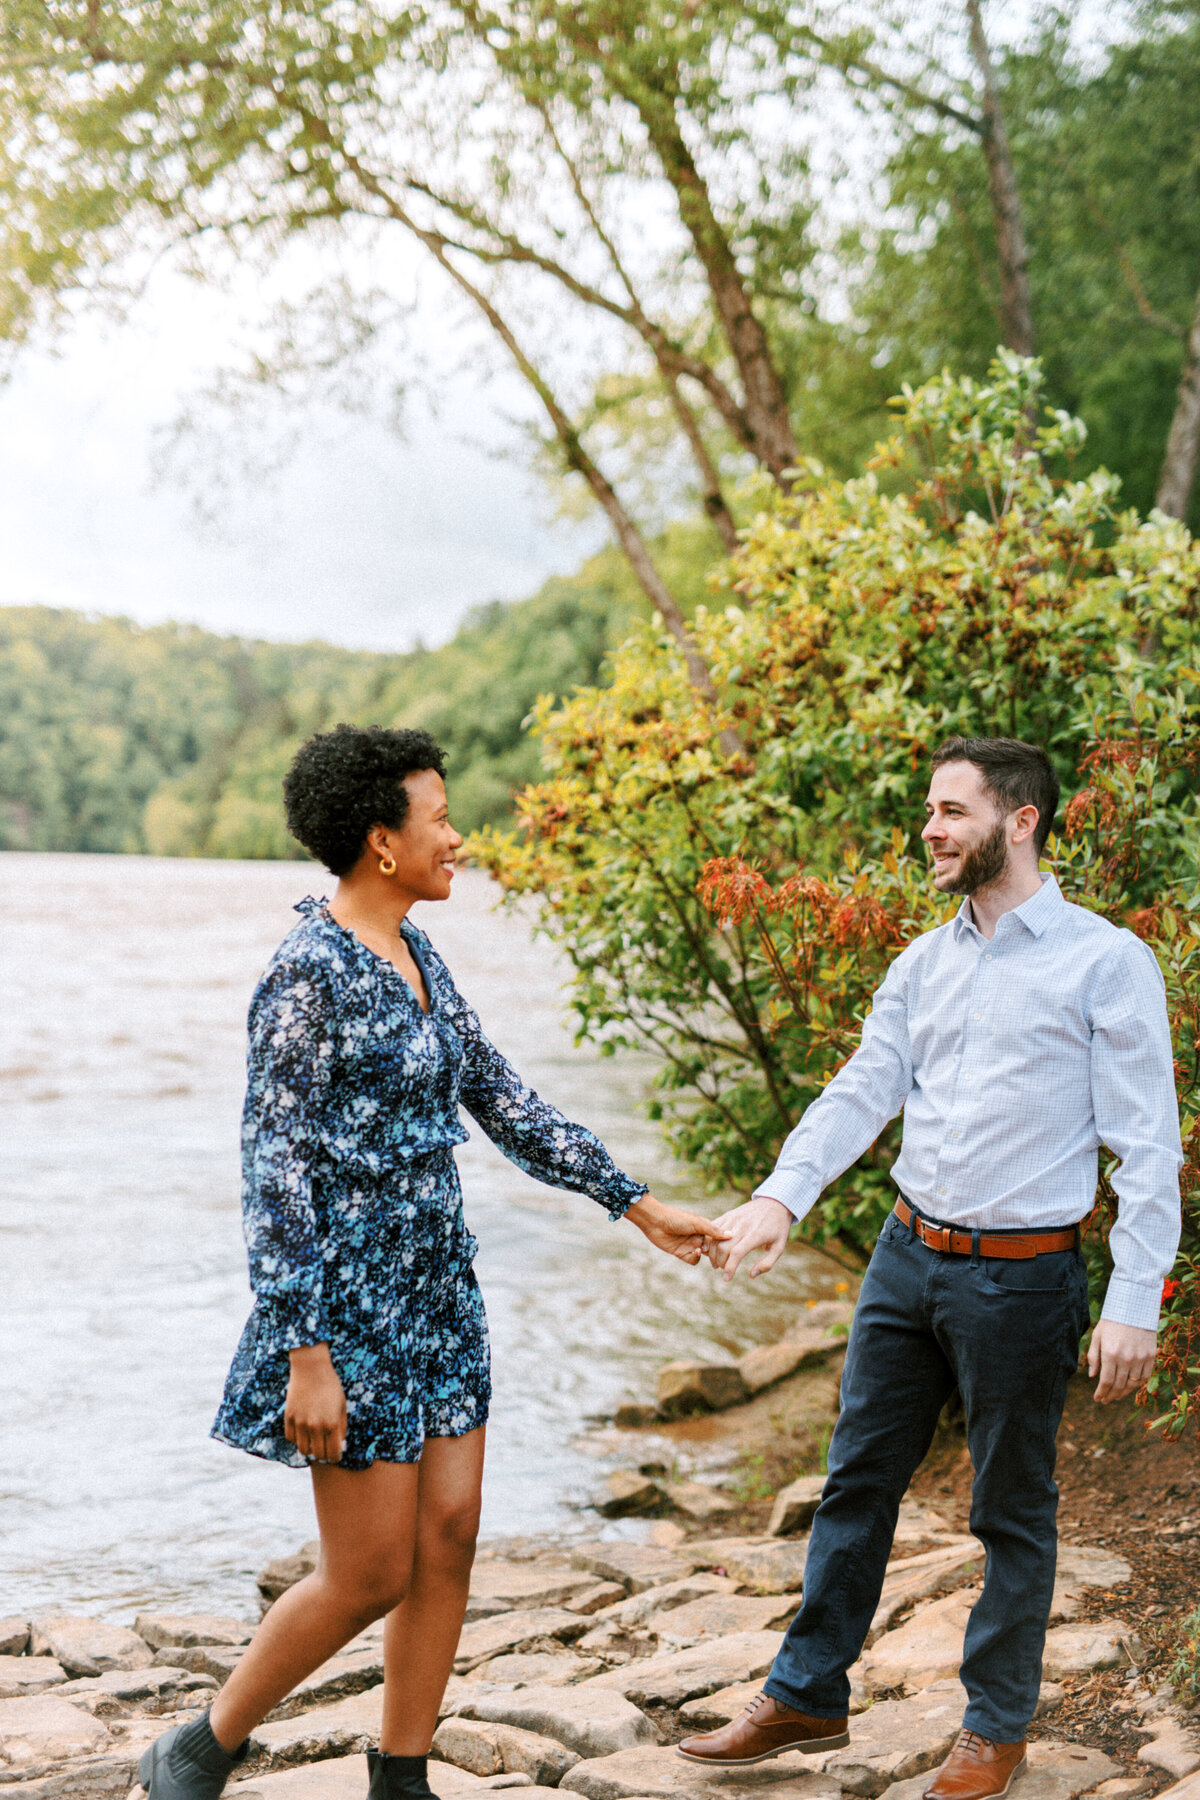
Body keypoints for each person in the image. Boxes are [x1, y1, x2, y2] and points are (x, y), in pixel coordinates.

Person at [138, 724, 725, 1800]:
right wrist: (304, 1351)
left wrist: (634, 1203)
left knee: (450, 1534)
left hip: (439, 1291)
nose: (458, 835)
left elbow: (501, 1098)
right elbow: (273, 1174)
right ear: (381, 842)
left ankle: (400, 1775)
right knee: (367, 1573)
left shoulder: (417, 954)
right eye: (440, 818)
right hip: (345, 1311)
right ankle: (201, 1743)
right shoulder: (306, 973)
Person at [676, 735, 1182, 1800]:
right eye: (930, 813)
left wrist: (1135, 1299)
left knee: (1011, 1508)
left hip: (1024, 1278)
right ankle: (809, 1691)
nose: (932, 831)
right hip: (908, 1260)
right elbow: (863, 1090)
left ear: (1023, 820)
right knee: (855, 1481)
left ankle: (995, 1729)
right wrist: (780, 1197)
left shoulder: (1104, 961)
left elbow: (1147, 1144)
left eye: (952, 811)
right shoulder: (922, 960)